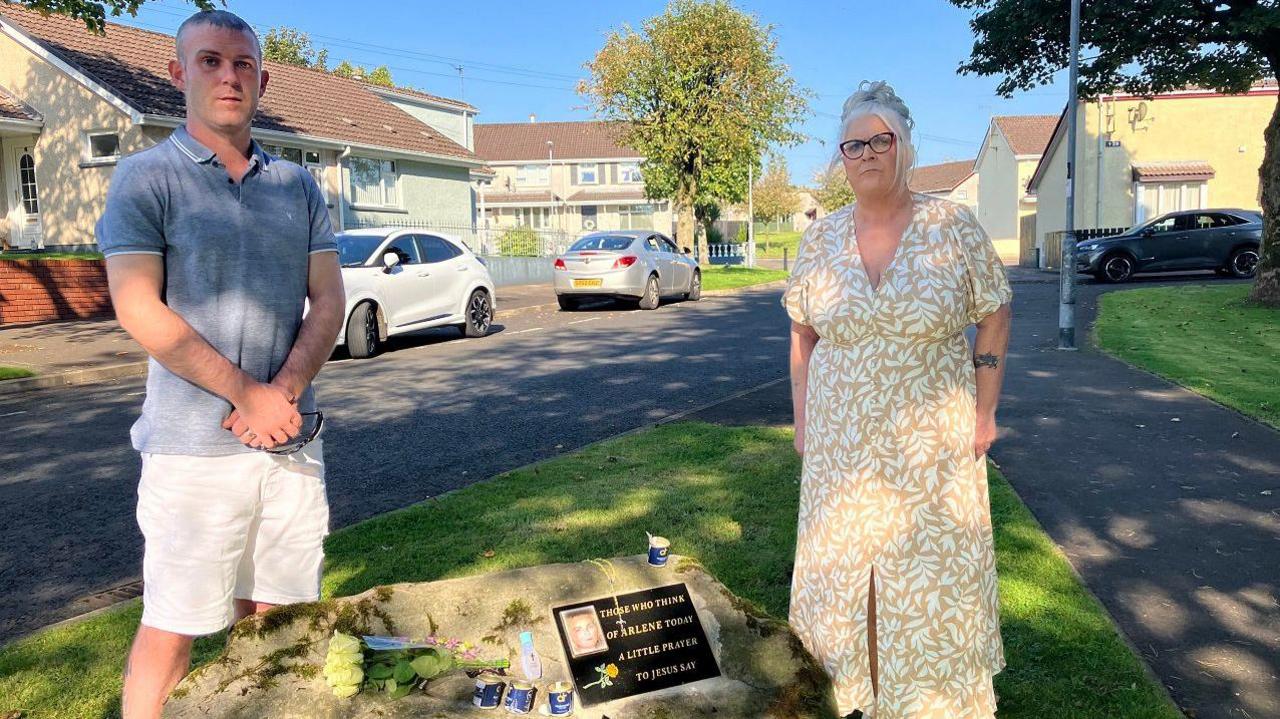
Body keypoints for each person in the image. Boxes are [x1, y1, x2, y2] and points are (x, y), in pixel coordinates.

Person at [96, 10, 346, 718]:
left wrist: (283, 391)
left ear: (262, 81)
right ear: (180, 74)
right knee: (174, 625)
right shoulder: (146, 179)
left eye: (242, 65)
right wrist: (245, 391)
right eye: (210, 61)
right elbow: (139, 307)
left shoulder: (296, 187)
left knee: (277, 623)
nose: (228, 76)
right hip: (190, 454)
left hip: (290, 443)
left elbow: (329, 299)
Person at [784, 81, 1012, 719]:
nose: (865, 154)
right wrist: (803, 424)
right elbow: (802, 336)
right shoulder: (821, 240)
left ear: (904, 147)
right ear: (841, 158)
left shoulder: (952, 227)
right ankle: (852, 695)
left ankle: (935, 703)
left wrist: (985, 410)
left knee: (932, 574)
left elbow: (994, 313)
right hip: (842, 442)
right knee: (846, 570)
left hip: (931, 440)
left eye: (879, 140)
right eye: (852, 145)